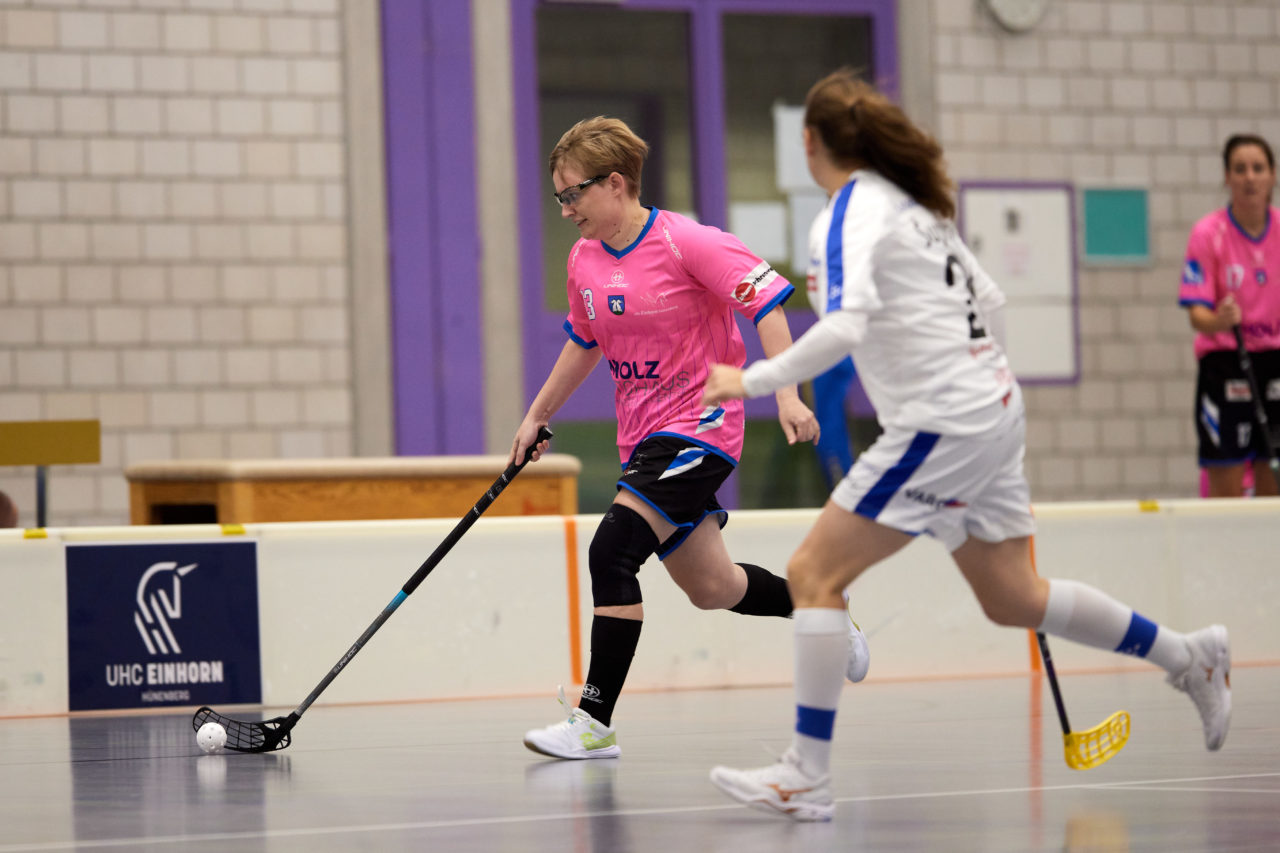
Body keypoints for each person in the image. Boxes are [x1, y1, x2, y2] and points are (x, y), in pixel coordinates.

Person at [701, 69, 1232, 822]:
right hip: (992, 407)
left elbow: (849, 328)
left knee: (811, 571)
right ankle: (1190, 654)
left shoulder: (848, 214)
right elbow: (989, 300)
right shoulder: (916, 207)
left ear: (811, 142)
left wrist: (751, 380)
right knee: (1014, 595)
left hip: (943, 422)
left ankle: (806, 773)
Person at [510, 116, 871, 761]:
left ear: (615, 184)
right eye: (558, 197)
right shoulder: (584, 260)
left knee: (612, 551)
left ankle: (594, 723)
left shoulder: (687, 242)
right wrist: (536, 414)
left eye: (573, 195)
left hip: (702, 426)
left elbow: (767, 303)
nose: (565, 211)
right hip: (642, 441)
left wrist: (786, 393)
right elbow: (583, 342)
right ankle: (822, 606)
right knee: (714, 588)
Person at [1180, 133, 1280, 497]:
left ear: (1272, 176)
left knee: (1273, 486)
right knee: (1226, 481)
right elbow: (1196, 314)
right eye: (1240, 169)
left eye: (1258, 168)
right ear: (1227, 177)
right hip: (1226, 364)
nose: (1249, 177)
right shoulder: (1209, 234)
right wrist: (1219, 319)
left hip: (1275, 362)